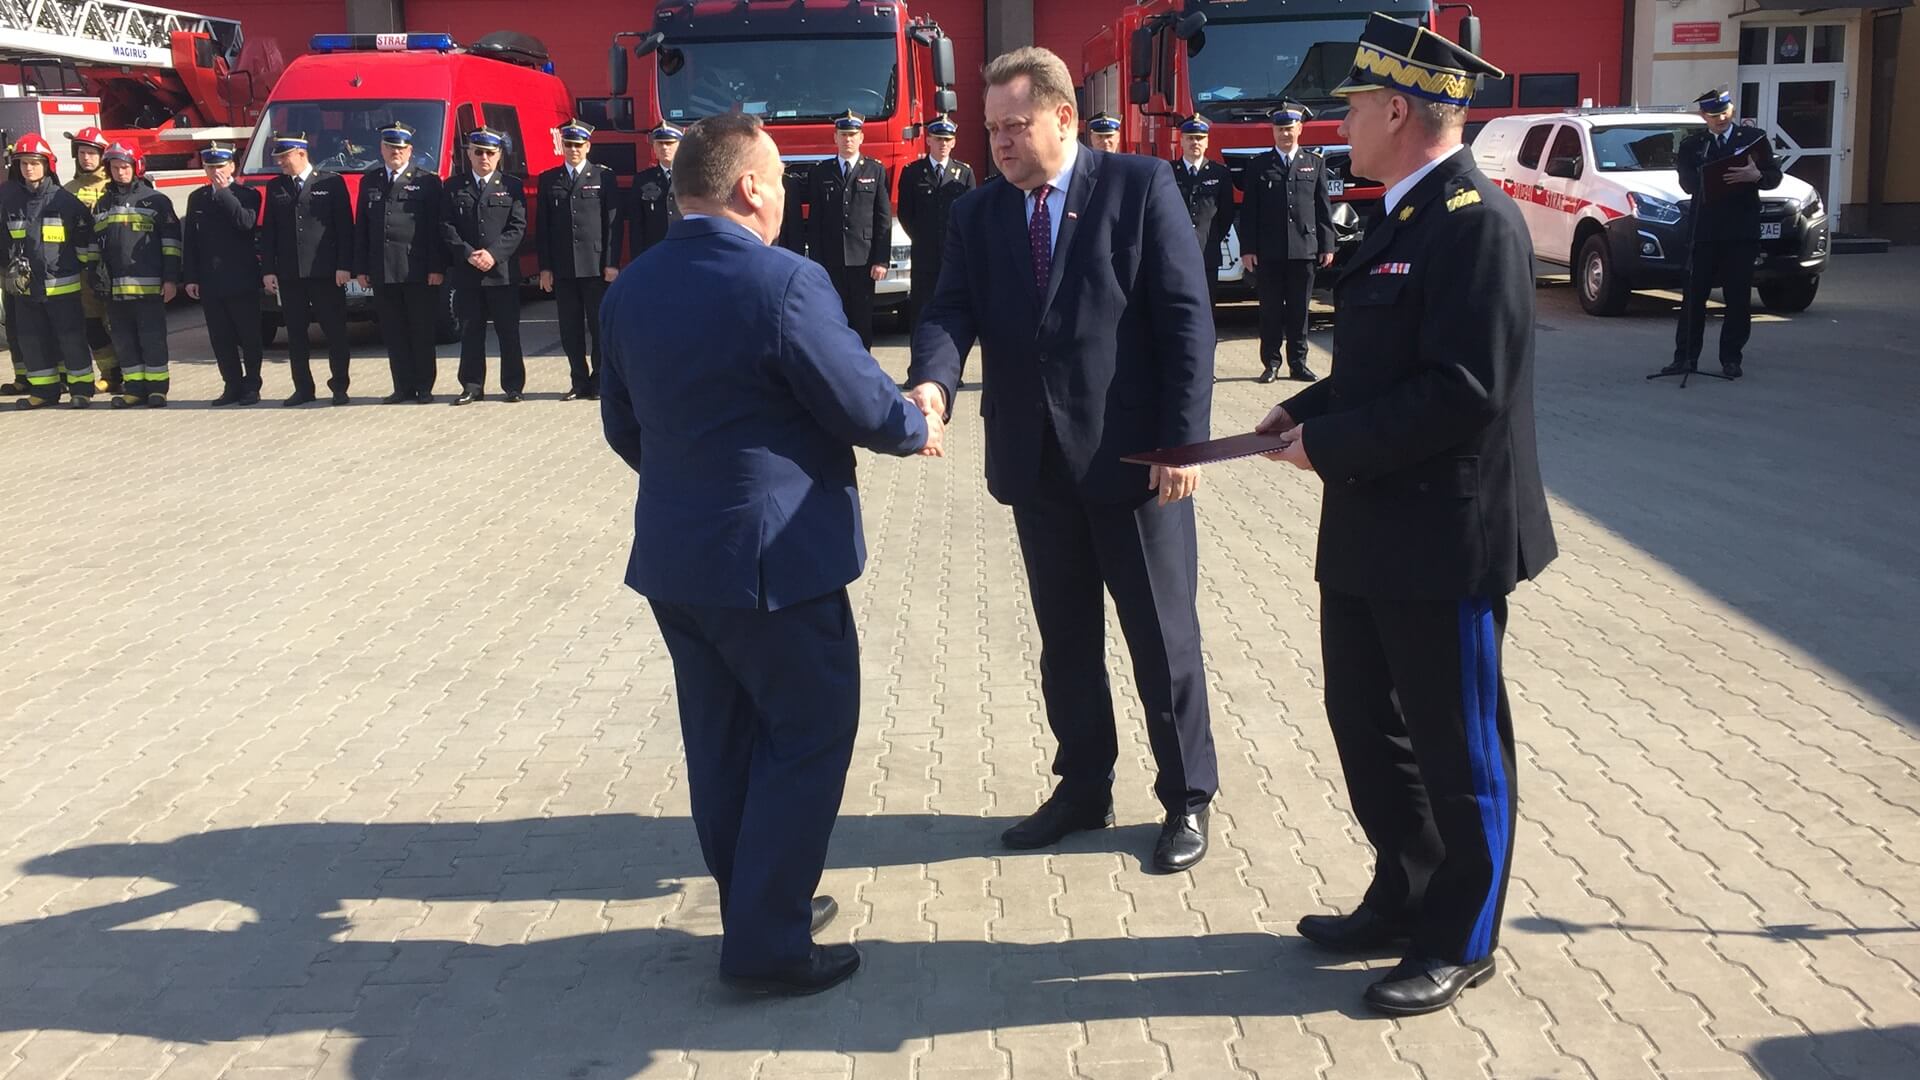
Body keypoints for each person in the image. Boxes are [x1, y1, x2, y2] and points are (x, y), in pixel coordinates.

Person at [1255, 14, 1557, 1016]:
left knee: (1457, 745)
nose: (1338, 122)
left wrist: (1330, 445)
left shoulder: (1476, 223)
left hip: (1445, 537)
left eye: (1351, 106)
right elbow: (1383, 368)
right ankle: (1405, 889)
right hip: (1372, 526)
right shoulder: (1401, 215)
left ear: (1396, 110)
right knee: (1368, 724)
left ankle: (1461, 935)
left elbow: (1464, 390)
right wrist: (1307, 409)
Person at [600, 112, 940, 996]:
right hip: (775, 565)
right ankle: (767, 944)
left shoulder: (631, 288)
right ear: (750, 185)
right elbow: (861, 403)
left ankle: (757, 905)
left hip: (678, 560)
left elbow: (625, 429)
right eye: (781, 179)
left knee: (722, 742)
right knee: (807, 734)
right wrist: (916, 423)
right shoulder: (785, 280)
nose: (786, 195)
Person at [906, 47, 1220, 873]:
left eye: (1015, 125)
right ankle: (1083, 786)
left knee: (1161, 639)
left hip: (1138, 463)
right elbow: (948, 310)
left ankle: (1187, 796)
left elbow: (1187, 321)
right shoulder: (978, 213)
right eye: (992, 129)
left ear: (1065, 117)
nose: (1001, 142)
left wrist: (1185, 440)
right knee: (1067, 640)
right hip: (1036, 462)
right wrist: (933, 382)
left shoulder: (1138, 187)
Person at [1662, 86, 1780, 380]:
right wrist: (1709, 175)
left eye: (1725, 112)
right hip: (1704, 230)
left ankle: (1731, 358)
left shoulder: (1752, 139)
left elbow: (1774, 176)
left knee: (1737, 298)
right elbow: (1687, 183)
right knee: (1694, 297)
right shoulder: (1694, 145)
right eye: (1714, 115)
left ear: (1733, 110)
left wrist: (1756, 176)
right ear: (1704, 116)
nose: (1721, 119)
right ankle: (1685, 358)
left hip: (1740, 232)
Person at [1238, 101, 1336, 383]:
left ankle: (1298, 363)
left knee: (1299, 311)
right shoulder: (1259, 165)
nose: (1284, 134)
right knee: (1269, 311)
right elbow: (1249, 211)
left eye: (1289, 129)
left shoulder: (1314, 163)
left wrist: (1327, 245)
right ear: (1273, 132)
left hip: (1304, 249)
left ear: (1299, 129)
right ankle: (1271, 364)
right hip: (1268, 251)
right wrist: (1248, 249)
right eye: (1279, 129)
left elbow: (1323, 208)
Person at [260, 132, 354, 406]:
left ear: (301, 154)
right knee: (296, 335)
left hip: (325, 273)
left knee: (335, 332)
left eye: (284, 157)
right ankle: (303, 388)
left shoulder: (330, 182)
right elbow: (270, 231)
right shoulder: (275, 186)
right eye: (278, 158)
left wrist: (344, 265)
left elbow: (344, 228)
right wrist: (268, 269)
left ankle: (339, 386)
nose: (280, 162)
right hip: (291, 274)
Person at [3, 134, 97, 409]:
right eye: (23, 163)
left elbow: (84, 241)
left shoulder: (65, 201)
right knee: (32, 340)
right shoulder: (10, 201)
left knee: (70, 338)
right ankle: (43, 391)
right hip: (25, 288)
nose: (28, 168)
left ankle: (81, 389)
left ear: (47, 165)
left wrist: (83, 269)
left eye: (34, 163)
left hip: (62, 286)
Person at [355, 120, 445, 404]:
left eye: (401, 148)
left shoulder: (427, 181)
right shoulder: (370, 181)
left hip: (416, 270)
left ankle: (424, 387)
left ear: (410, 150)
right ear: (381, 149)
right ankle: (402, 387)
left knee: (421, 331)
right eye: (390, 147)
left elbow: (436, 229)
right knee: (393, 333)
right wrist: (361, 268)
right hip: (382, 269)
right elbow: (362, 228)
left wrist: (436, 267)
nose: (395, 152)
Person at [442, 127, 527, 406]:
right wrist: (468, 254)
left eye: (490, 152)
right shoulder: (454, 186)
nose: (484, 158)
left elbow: (517, 227)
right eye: (478, 152)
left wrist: (493, 254)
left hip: (501, 273)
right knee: (470, 332)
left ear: (499, 154)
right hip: (468, 274)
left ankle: (513, 386)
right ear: (469, 154)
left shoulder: (511, 186)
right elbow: (446, 226)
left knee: (508, 332)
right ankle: (472, 386)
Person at [537, 118, 620, 401]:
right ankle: (578, 380)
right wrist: (545, 267)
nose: (573, 150)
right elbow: (543, 227)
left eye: (578, 145)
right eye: (569, 144)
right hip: (564, 267)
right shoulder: (549, 179)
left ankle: (599, 380)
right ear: (562, 146)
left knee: (598, 327)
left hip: (595, 266)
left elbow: (612, 223)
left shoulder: (603, 177)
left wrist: (611, 262)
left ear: (588, 146)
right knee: (569, 329)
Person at [94, 143, 180, 407]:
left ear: (136, 167)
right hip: (115, 292)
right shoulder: (102, 204)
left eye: (124, 167)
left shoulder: (156, 201)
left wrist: (170, 279)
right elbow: (94, 246)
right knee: (124, 342)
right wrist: (96, 276)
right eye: (115, 168)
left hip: (148, 289)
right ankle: (134, 389)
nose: (120, 172)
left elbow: (171, 244)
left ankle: (157, 390)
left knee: (152, 339)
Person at [184, 143, 265, 406]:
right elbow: (191, 241)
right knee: (221, 338)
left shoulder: (247, 194)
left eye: (220, 166)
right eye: (210, 167)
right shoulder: (197, 198)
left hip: (241, 278)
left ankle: (252, 385)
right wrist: (191, 277)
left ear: (232, 166)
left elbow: (245, 222)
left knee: (249, 336)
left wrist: (223, 193)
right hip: (211, 281)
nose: (215, 171)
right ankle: (231, 384)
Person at [803, 111, 892, 348]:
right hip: (831, 260)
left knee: (862, 321)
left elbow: (883, 219)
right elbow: (815, 221)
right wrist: (816, 261)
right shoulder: (821, 172)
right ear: (835, 137)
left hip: (863, 260)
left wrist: (881, 260)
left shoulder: (874, 170)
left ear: (861, 137)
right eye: (843, 135)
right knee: (833, 318)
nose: (848, 140)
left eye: (852, 135)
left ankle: (862, 366)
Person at [894, 114, 975, 333]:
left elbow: (970, 215)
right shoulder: (912, 172)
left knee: (953, 310)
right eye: (938, 139)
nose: (943, 144)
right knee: (922, 310)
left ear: (954, 142)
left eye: (948, 140)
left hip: (953, 255)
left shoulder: (964, 173)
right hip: (924, 256)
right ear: (928, 140)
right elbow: (905, 214)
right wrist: (922, 237)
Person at [64, 127, 119, 397]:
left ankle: (132, 374)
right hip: (84, 274)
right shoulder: (68, 191)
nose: (86, 158)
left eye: (91, 153)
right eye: (82, 153)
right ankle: (109, 374)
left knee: (119, 325)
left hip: (114, 270)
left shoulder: (114, 186)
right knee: (93, 325)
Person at [1169, 115, 1233, 308]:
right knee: (1176, 306)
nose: (1195, 142)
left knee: (1206, 306)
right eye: (1190, 138)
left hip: (1207, 253)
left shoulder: (1220, 173)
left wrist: (1209, 238)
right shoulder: (1168, 172)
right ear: (1181, 141)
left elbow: (1226, 214)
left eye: (1199, 138)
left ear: (1207, 142)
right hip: (1175, 253)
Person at [626, 123, 682, 262]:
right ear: (654, 148)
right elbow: (637, 224)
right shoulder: (642, 179)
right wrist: (638, 259)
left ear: (680, 146)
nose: (664, 147)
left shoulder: (693, 178)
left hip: (685, 250)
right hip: (654, 252)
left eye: (669, 143)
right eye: (660, 143)